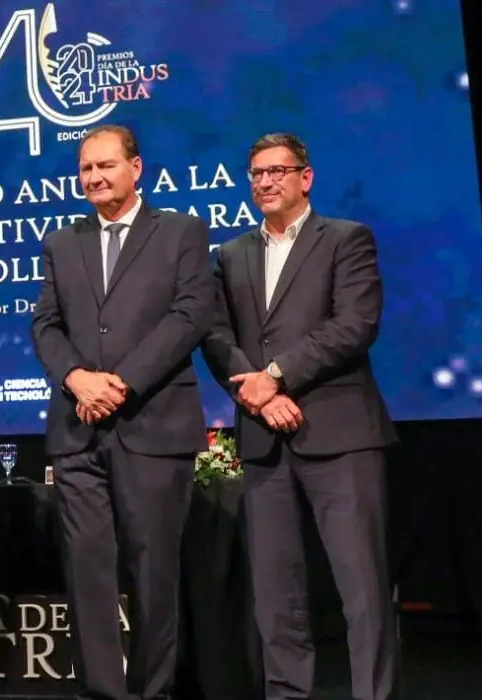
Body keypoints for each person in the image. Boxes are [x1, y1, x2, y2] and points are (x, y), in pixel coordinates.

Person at [201, 132, 397, 700]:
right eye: (257, 174)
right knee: (275, 595)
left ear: (305, 178)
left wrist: (278, 374)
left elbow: (355, 325)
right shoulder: (230, 255)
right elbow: (214, 335)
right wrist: (260, 394)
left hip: (340, 436)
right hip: (264, 440)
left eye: (277, 171)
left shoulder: (346, 240)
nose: (265, 182)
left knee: (362, 589)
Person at [30, 124, 213, 700]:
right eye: (86, 169)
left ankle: (153, 691)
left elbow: (190, 315)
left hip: (153, 425)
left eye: (105, 165)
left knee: (154, 571)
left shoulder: (181, 232)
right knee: (87, 572)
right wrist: (77, 378)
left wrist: (123, 383)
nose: (94, 177)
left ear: (136, 168)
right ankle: (103, 692)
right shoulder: (62, 242)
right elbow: (45, 324)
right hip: (77, 429)